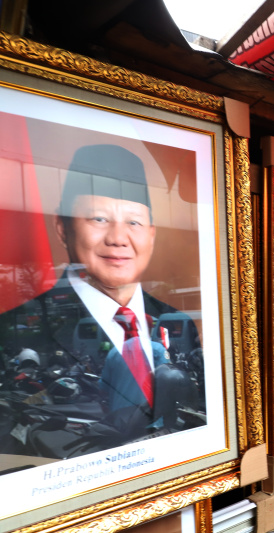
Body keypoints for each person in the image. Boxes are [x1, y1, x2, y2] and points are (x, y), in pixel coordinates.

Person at [0, 144, 201, 457]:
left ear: (151, 235)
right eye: (98, 218)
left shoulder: (177, 322)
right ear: (62, 228)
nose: (118, 238)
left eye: (134, 222)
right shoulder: (13, 329)